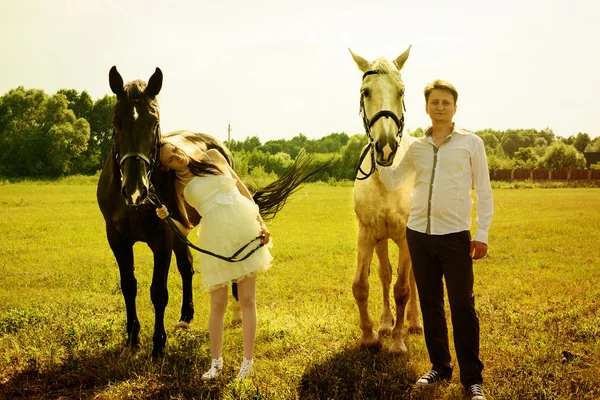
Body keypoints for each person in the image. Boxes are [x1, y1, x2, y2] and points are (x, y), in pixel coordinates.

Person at [378, 80, 493, 400]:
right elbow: (393, 179)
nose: (440, 107)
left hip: (455, 236)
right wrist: (380, 151)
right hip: (418, 235)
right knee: (430, 304)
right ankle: (440, 366)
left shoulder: (472, 144)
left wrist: (481, 233)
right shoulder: (416, 147)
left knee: (462, 306)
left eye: (446, 102)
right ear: (426, 108)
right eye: (434, 102)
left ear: (455, 108)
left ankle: (472, 378)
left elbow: (484, 192)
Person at [155, 136, 271, 381]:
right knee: (218, 304)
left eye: (175, 150)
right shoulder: (177, 185)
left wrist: (261, 223)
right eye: (170, 158)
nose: (177, 155)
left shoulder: (213, 156)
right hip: (214, 237)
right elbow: (185, 227)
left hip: (243, 228)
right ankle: (216, 363)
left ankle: (247, 364)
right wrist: (166, 217)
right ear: (166, 167)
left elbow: (243, 190)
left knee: (248, 299)